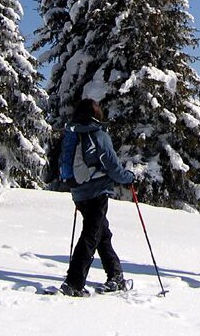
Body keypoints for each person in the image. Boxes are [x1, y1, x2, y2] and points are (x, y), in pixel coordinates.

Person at [58, 98, 136, 297]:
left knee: (102, 233)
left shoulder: (72, 133)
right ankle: (74, 282)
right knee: (91, 235)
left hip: (78, 192)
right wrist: (129, 178)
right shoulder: (98, 135)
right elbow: (113, 167)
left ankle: (115, 275)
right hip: (97, 192)